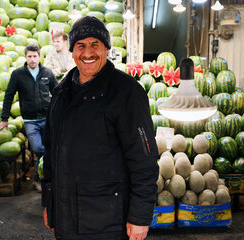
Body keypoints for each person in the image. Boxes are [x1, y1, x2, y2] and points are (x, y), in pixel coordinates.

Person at [42, 16, 159, 240]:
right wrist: (49, 203)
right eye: (81, 46)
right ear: (72, 51)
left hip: (107, 222)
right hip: (66, 220)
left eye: (95, 45)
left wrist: (140, 217)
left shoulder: (126, 93)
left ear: (106, 49)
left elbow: (144, 162)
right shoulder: (60, 94)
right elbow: (50, 154)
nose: (88, 53)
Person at [0, 44, 58, 193]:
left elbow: (57, 94)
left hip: (47, 119)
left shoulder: (47, 73)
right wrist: (4, 118)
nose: (32, 59)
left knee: (46, 150)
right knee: (39, 149)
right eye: (29, 56)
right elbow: (9, 96)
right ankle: (45, 177)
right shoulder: (18, 74)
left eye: (35, 56)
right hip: (30, 120)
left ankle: (40, 180)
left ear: (39, 57)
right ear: (25, 57)